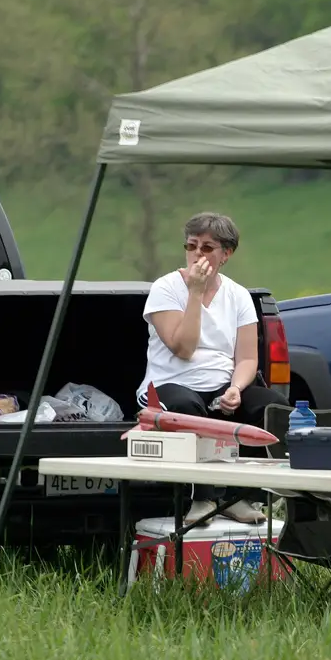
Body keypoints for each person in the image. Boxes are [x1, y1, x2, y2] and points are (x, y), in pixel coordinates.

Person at [137, 212, 286, 526]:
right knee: (187, 408)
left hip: (220, 383)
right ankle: (201, 499)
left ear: (225, 254)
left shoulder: (238, 295)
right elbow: (183, 348)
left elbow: (247, 359)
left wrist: (236, 388)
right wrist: (195, 292)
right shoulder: (166, 288)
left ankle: (240, 497)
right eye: (191, 246)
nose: (197, 254)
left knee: (272, 405)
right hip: (169, 384)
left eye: (206, 248)